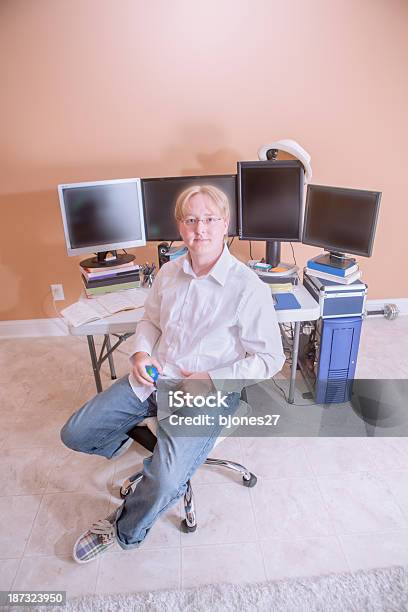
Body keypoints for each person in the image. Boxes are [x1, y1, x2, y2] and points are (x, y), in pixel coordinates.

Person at [60, 184, 285, 563]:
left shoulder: (248, 288)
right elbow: (150, 321)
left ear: (225, 223)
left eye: (210, 219)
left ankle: (126, 527)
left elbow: (270, 359)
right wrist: (141, 352)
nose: (201, 229)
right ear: (180, 226)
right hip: (154, 377)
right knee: (75, 432)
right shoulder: (168, 272)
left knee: (164, 480)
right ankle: (161, 460)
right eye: (192, 219)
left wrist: (211, 380)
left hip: (206, 391)